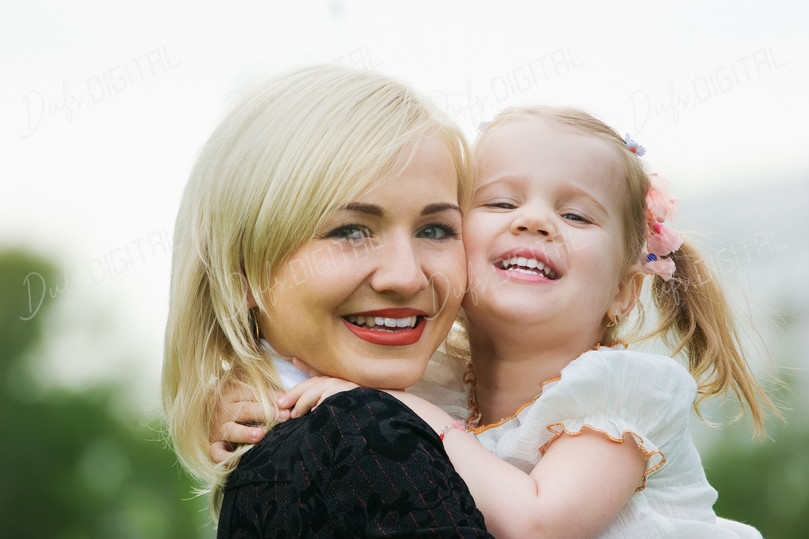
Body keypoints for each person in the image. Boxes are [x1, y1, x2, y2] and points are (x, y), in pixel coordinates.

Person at [215, 106, 779, 537]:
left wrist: (407, 414)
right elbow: (314, 368)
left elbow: (536, 523)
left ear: (624, 291)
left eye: (575, 214)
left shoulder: (622, 393)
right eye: (502, 204)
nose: (534, 221)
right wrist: (240, 400)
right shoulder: (435, 381)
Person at [162, 64, 492, 537]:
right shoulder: (360, 440)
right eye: (350, 231)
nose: (405, 275)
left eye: (435, 229)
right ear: (244, 274)